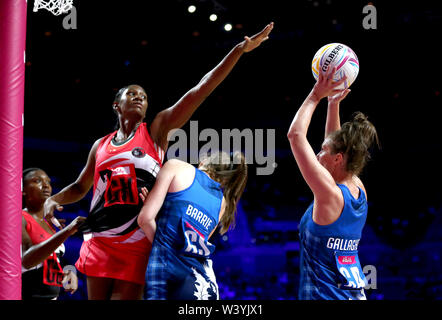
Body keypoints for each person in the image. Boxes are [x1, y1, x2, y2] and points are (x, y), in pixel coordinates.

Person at [43, 22, 274, 300]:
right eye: (133, 94)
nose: (140, 97)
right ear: (117, 104)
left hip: (137, 240)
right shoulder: (100, 145)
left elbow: (199, 91)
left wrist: (238, 51)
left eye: (144, 96)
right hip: (101, 238)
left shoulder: (156, 132)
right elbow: (80, 187)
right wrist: (53, 199)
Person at [287, 66, 379, 300]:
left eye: (322, 151)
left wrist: (315, 95)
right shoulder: (358, 189)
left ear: (337, 159)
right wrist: (333, 104)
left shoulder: (329, 194)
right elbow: (335, 143)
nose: (317, 155)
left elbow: (295, 135)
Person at [137, 151, 247, 300]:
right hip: (201, 283)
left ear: (203, 161)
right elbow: (189, 240)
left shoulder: (176, 166)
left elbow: (145, 220)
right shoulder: (222, 203)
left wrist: (154, 213)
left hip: (167, 273)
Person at [21, 168, 86, 300]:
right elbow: (26, 261)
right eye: (37, 181)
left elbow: (56, 260)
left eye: (48, 182)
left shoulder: (53, 223)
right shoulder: (19, 218)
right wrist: (67, 231)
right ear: (23, 190)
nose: (46, 185)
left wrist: (69, 271)